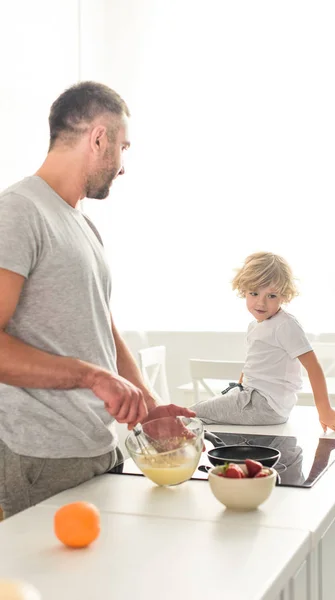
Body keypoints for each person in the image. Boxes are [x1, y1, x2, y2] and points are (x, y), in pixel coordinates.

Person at [0, 81, 194, 518]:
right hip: (39, 457)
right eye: (123, 146)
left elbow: (101, 327)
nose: (123, 164)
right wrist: (91, 377)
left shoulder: (82, 225)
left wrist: (148, 405)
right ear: (99, 138)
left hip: (99, 447)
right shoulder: (17, 212)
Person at [193, 252, 335, 432]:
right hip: (255, 398)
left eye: (271, 296)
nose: (261, 303)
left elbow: (313, 366)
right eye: (254, 293)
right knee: (201, 413)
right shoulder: (256, 325)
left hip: (265, 404)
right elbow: (253, 364)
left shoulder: (285, 325)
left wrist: (324, 410)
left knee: (188, 415)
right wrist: (239, 387)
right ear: (244, 291)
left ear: (285, 295)